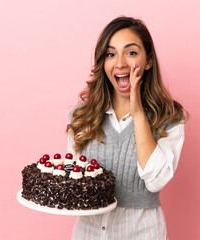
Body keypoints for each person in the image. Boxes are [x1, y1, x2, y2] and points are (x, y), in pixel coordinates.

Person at [66, 16, 188, 240]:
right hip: (87, 234)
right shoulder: (81, 117)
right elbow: (74, 180)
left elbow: (156, 181)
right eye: (111, 54)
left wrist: (139, 114)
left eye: (131, 53)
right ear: (103, 63)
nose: (120, 63)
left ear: (148, 60)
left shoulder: (170, 118)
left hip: (142, 233)